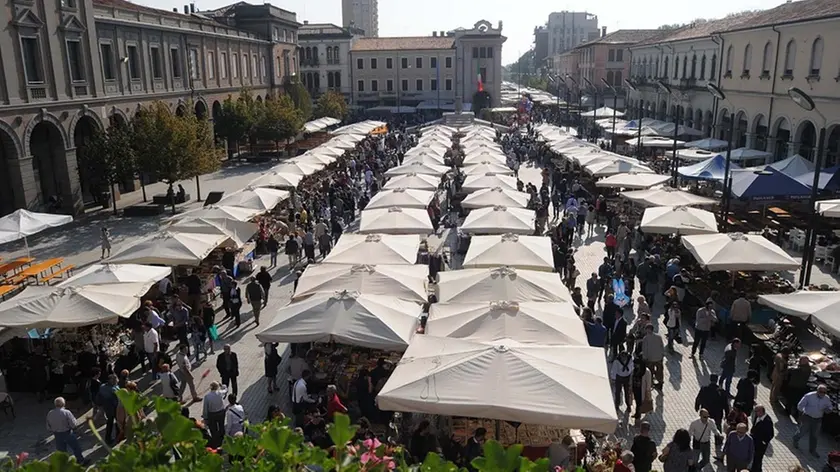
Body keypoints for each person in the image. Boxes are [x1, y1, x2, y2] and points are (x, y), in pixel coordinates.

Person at [794, 384, 834, 457]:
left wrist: (828, 410)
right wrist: (801, 414)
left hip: (818, 419)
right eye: (821, 392)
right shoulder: (809, 396)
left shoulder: (826, 398)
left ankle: (812, 450)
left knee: (814, 435)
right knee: (802, 431)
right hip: (807, 417)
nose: (822, 394)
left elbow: (830, 407)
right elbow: (800, 405)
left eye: (824, 392)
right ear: (817, 390)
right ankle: (795, 440)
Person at [695, 374, 729, 454]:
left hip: (707, 412)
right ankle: (718, 441)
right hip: (717, 413)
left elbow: (698, 398)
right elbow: (725, 404)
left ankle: (703, 439)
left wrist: (697, 406)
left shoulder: (704, 389)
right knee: (717, 426)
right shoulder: (721, 391)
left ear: (710, 379)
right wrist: (727, 414)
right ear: (717, 380)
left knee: (704, 426)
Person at [46, 397, 86, 464]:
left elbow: (48, 426)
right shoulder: (66, 412)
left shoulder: (50, 413)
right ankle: (80, 460)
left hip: (57, 434)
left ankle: (63, 464)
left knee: (61, 451)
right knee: (76, 447)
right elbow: (73, 424)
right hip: (67, 432)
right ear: (63, 404)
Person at [202, 381, 228, 447]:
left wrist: (205, 417)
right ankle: (222, 438)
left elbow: (205, 407)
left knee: (213, 428)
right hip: (221, 412)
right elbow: (225, 389)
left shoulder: (207, 396)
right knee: (221, 425)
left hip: (212, 414)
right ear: (217, 387)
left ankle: (215, 440)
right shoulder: (220, 393)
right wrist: (222, 385)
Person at [750, 405, 774, 472]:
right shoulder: (757, 416)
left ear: (761, 412)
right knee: (755, 457)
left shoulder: (767, 421)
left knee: (758, 458)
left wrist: (763, 442)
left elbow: (771, 435)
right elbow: (755, 425)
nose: (755, 413)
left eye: (756, 411)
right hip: (754, 440)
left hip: (761, 444)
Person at [640, 325, 664, 390]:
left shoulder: (645, 338)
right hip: (659, 358)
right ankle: (660, 383)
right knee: (660, 371)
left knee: (650, 371)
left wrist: (644, 357)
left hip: (650, 358)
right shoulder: (658, 337)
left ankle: (651, 384)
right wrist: (662, 355)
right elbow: (662, 346)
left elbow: (644, 349)